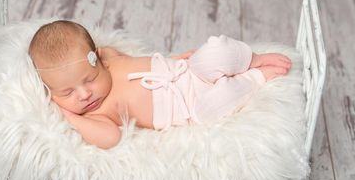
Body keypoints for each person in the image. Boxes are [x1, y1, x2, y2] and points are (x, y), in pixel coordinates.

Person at [29, 20, 292, 149]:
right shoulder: (95, 112)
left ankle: (254, 58)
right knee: (215, 105)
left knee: (216, 51)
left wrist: (174, 60)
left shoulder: (108, 57)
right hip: (190, 109)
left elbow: (137, 61)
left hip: (186, 72)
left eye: (89, 79)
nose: (85, 94)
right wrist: (67, 115)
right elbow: (111, 138)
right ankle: (255, 79)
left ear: (97, 57)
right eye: (67, 92)